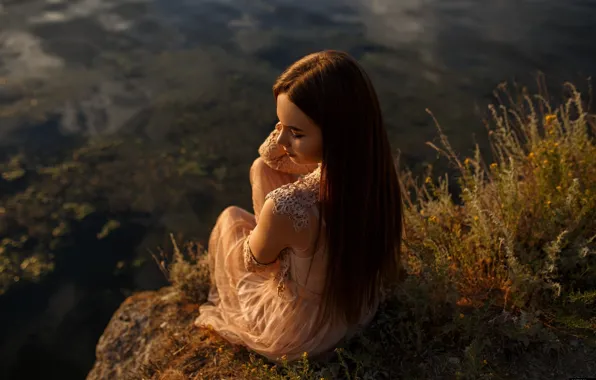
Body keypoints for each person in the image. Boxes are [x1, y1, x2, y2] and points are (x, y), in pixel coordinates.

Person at [194, 50, 403, 362]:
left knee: (230, 219)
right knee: (263, 168)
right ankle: (289, 241)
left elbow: (257, 265)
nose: (280, 141)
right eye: (279, 125)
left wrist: (267, 229)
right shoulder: (372, 172)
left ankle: (283, 241)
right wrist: (288, 131)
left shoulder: (286, 206)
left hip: (305, 332)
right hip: (355, 307)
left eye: (296, 133)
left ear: (337, 134)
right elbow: (268, 158)